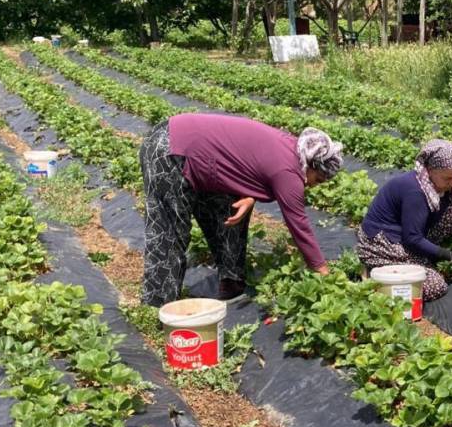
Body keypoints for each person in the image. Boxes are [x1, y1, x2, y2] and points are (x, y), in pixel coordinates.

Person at [139, 113, 342, 307]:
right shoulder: (289, 172)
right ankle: (158, 306)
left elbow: (251, 162)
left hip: (202, 156)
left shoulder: (291, 149)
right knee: (170, 232)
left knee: (231, 208)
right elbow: (299, 226)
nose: (313, 185)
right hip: (171, 149)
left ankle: (231, 282)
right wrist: (322, 271)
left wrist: (250, 195)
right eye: (318, 180)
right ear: (311, 164)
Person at [356, 139, 452, 301]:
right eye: (448, 178)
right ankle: (375, 278)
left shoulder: (436, 186)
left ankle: (416, 261)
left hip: (406, 236)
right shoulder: (415, 191)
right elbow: (412, 239)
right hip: (383, 244)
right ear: (430, 170)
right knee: (435, 285)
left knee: (450, 211)